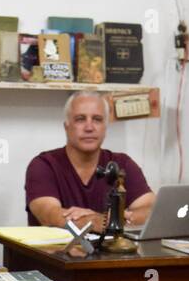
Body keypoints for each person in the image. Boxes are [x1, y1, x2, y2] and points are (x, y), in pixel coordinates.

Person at [25, 92, 155, 230]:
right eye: (80, 119)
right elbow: (50, 216)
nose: (89, 128)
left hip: (110, 251)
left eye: (97, 119)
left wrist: (101, 219)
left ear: (105, 127)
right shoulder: (44, 165)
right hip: (55, 251)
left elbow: (152, 211)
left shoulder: (123, 164)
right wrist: (109, 220)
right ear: (66, 127)